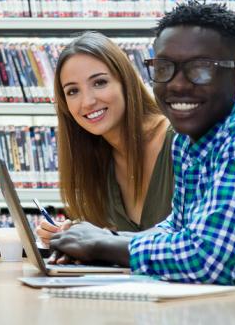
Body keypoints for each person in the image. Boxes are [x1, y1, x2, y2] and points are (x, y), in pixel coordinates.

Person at [50, 1, 235, 288]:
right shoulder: (191, 137)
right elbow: (179, 230)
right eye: (164, 68)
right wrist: (100, 239)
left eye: (199, 69)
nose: (177, 85)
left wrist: (100, 246)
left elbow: (205, 260)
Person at [35, 32, 174, 246]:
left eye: (99, 83)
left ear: (125, 81)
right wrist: (75, 234)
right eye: (72, 91)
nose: (87, 102)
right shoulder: (97, 161)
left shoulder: (177, 141)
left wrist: (102, 241)